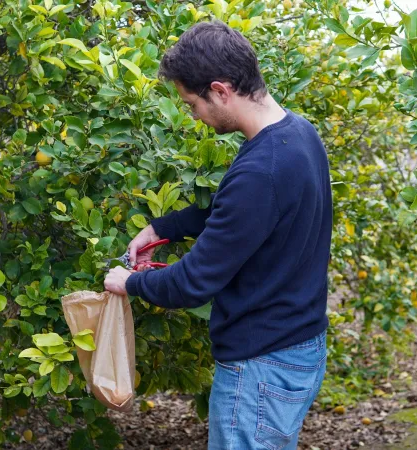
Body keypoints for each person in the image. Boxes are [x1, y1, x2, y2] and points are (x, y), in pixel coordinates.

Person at [103, 19, 332, 450]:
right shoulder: (298, 134)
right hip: (298, 345)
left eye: (193, 104)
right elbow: (238, 214)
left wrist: (129, 282)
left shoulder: (261, 170)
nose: (194, 116)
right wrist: (162, 227)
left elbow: (194, 282)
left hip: (261, 366)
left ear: (221, 90)